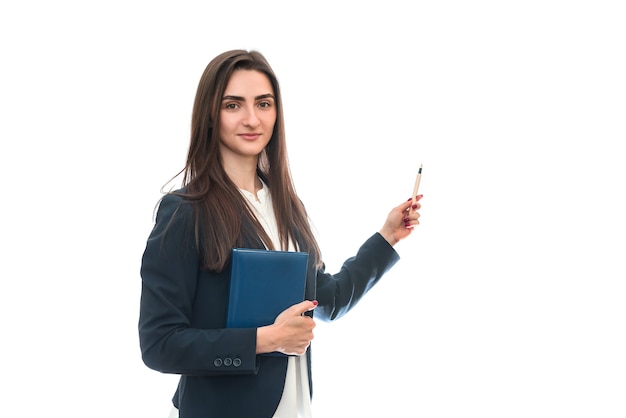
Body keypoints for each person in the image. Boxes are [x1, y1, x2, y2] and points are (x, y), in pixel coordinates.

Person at [138, 49, 423, 418]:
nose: (252, 118)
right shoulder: (185, 212)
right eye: (233, 105)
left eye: (264, 103)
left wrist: (388, 237)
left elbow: (327, 299)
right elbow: (159, 344)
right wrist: (265, 340)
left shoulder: (288, 207)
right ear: (211, 115)